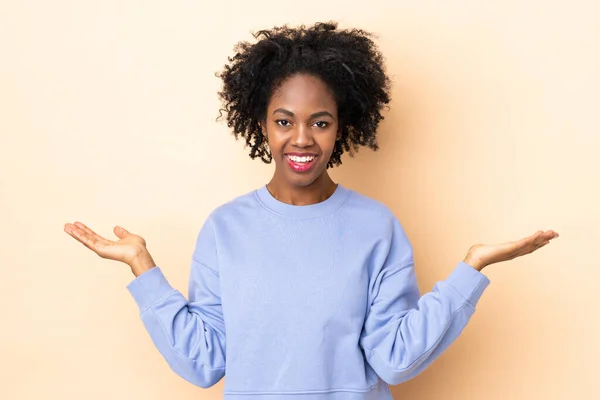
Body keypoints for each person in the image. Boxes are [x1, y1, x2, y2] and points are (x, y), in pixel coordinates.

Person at [64, 22, 559, 399]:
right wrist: (141, 267)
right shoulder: (225, 228)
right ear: (262, 125)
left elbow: (394, 360)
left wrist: (470, 270)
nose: (301, 139)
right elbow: (205, 361)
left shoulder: (377, 227)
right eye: (285, 121)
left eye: (319, 122)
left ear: (342, 127)